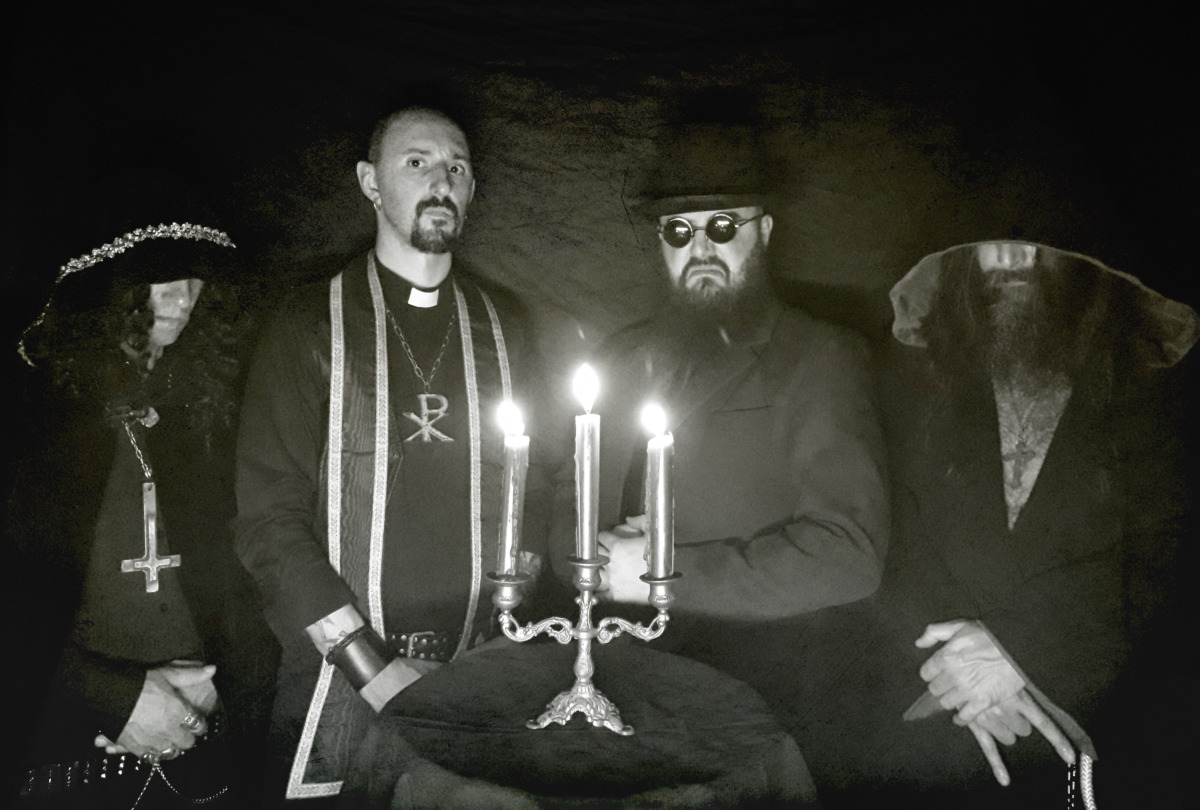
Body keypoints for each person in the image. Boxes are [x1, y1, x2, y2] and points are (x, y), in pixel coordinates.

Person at [806, 240, 1196, 808]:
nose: (1013, 260)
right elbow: (890, 534)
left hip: (1098, 712)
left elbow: (1172, 559)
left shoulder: (1156, 393)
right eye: (994, 243)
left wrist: (1017, 650)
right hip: (941, 703)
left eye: (1035, 243)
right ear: (964, 260)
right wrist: (960, 673)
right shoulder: (916, 382)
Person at [234, 105, 544, 805]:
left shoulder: (505, 330)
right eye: (417, 162)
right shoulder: (309, 324)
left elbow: (542, 489)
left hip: (478, 672)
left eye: (457, 167)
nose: (442, 181)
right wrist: (372, 668)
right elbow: (267, 523)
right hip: (339, 676)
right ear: (370, 182)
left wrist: (501, 639)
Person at [555, 118, 889, 623]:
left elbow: (848, 555)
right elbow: (569, 505)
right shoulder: (619, 357)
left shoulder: (820, 355)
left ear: (764, 232)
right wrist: (592, 567)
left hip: (750, 657)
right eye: (679, 230)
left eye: (723, 226)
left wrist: (661, 577)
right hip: (608, 644)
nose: (701, 249)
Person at [8, 179, 275, 808]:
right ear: (112, 286)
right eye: (162, 279)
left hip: (204, 737)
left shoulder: (210, 411)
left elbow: (249, 573)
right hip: (66, 747)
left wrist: (221, 679)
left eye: (196, 278)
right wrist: (113, 697)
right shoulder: (30, 413)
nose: (184, 297)